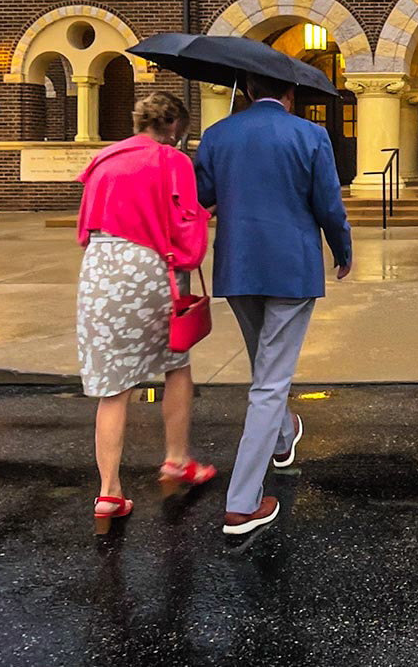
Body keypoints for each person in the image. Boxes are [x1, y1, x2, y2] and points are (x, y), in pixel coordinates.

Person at [194, 69, 352, 536]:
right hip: (291, 267)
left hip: (239, 266)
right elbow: (328, 203)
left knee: (265, 366)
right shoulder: (310, 135)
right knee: (269, 382)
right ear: (289, 93)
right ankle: (242, 502)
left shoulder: (218, 134)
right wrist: (342, 249)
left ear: (245, 90)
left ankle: (283, 438)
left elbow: (203, 199)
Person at [74, 90, 217, 533]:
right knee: (177, 362)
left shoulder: (104, 160)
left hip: (98, 268)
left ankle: (109, 492)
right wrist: (203, 218)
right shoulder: (172, 161)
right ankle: (176, 460)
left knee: (113, 387)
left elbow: (85, 226)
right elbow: (183, 232)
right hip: (148, 267)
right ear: (174, 125)